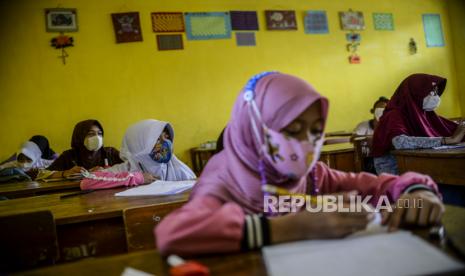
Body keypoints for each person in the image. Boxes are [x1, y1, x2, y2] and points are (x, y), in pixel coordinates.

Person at [155, 72, 444, 256]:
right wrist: (289, 227)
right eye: (291, 130)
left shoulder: (313, 175)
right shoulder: (224, 181)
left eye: (316, 131)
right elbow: (174, 234)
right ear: (255, 130)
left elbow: (378, 187)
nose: (307, 143)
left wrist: (418, 196)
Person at [373, 74, 465, 175]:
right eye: (431, 92)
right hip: (397, 173)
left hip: (419, 166)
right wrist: (447, 140)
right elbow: (400, 142)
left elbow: (444, 126)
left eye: (436, 92)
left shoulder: (420, 111)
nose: (435, 97)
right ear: (415, 92)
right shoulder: (394, 114)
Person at [80, 119, 196, 190]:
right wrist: (136, 178)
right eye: (156, 138)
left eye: (166, 137)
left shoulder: (178, 169)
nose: (165, 142)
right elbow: (87, 182)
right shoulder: (128, 169)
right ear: (138, 143)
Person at [46, 119, 123, 179]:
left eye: (99, 133)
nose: (97, 137)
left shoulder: (110, 153)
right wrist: (64, 173)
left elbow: (133, 166)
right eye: (91, 134)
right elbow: (41, 174)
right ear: (80, 136)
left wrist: (110, 171)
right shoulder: (69, 156)